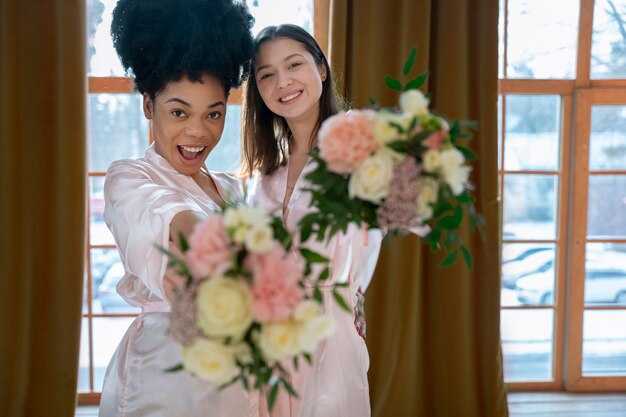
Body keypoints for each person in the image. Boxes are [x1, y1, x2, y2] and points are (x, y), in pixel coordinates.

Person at [98, 0, 257, 416]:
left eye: (214, 114)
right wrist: (202, 235)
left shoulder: (233, 190)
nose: (197, 132)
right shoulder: (130, 179)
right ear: (149, 106)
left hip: (237, 377)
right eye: (178, 112)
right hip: (167, 375)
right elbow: (167, 212)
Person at [241, 24, 382, 417]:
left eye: (294, 64)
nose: (282, 81)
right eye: (266, 74)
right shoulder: (265, 176)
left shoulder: (359, 144)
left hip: (329, 332)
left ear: (321, 68)